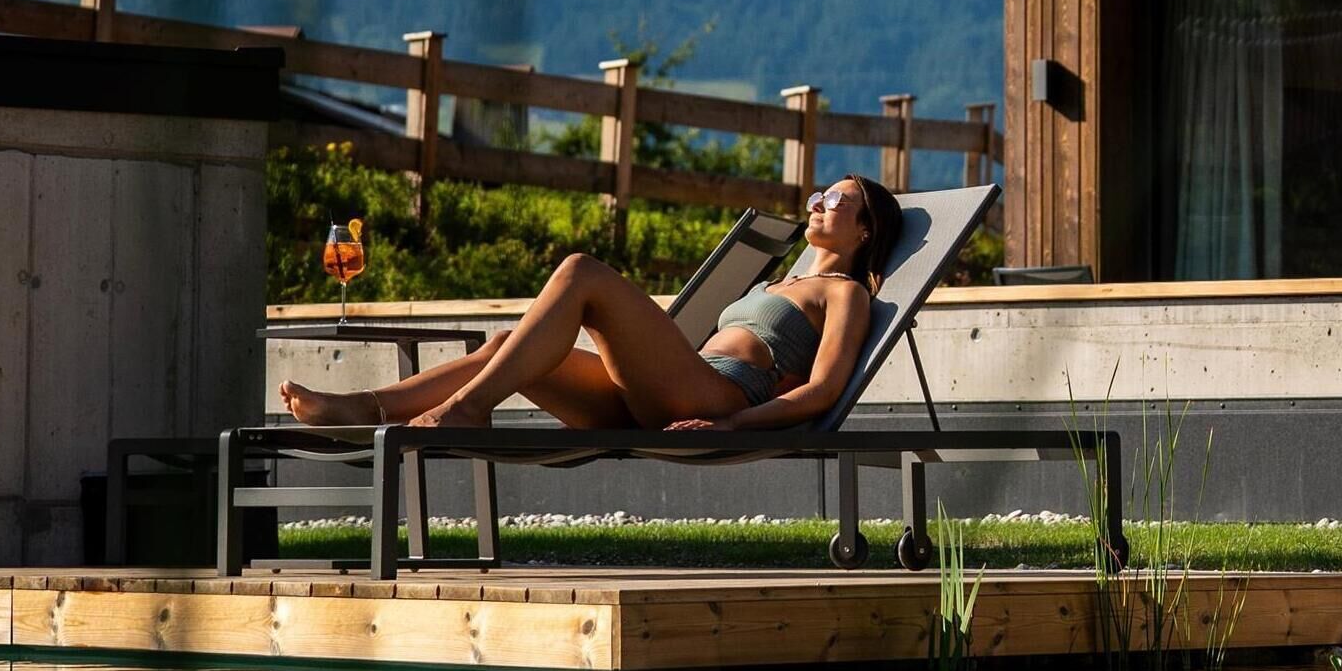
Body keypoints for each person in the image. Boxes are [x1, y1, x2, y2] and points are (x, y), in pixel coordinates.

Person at [276, 174, 905, 437]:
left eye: (837, 198)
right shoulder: (774, 284)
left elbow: (823, 391)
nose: (818, 201)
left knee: (582, 272)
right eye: (820, 193)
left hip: (717, 397)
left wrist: (732, 426)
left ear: (866, 228)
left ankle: (464, 410)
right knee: (505, 350)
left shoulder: (843, 292)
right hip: (664, 393)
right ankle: (364, 408)